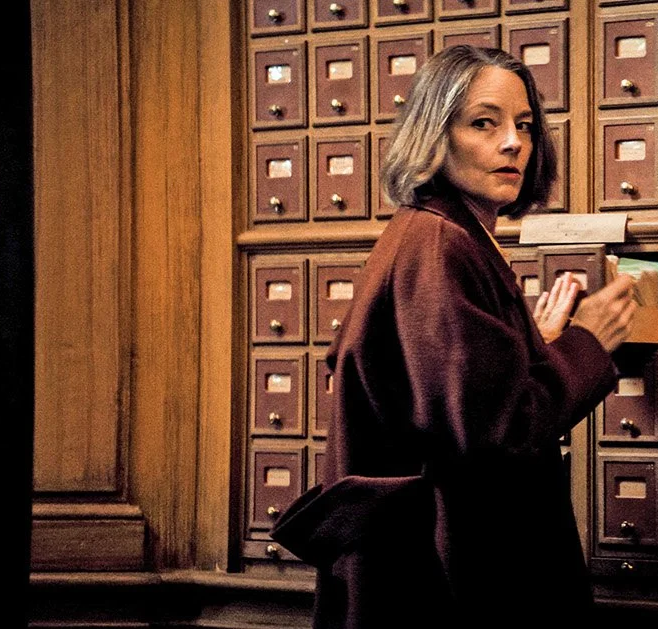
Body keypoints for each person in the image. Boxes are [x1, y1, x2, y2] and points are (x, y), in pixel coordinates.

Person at [271, 45, 638, 628]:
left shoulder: (443, 232)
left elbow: (446, 392)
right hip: (447, 580)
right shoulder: (442, 243)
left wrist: (530, 347)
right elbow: (499, 432)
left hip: (435, 564)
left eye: (524, 125)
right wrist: (586, 343)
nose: (514, 143)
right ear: (435, 134)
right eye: (484, 123)